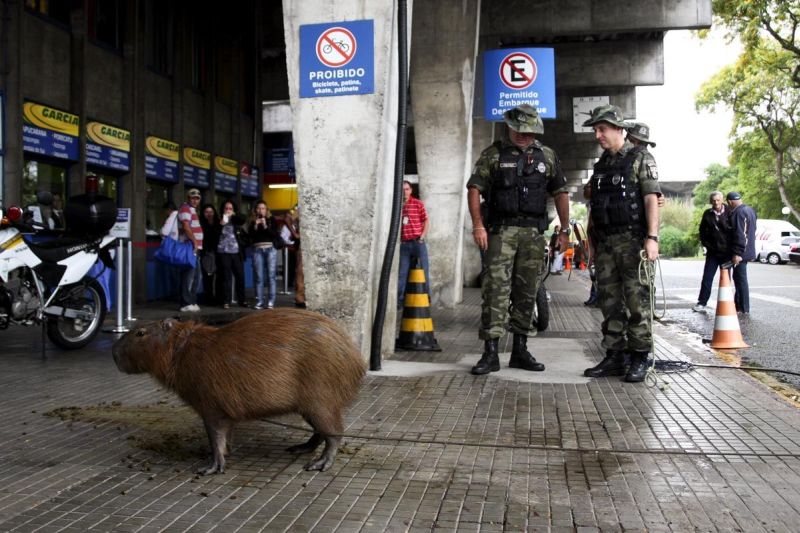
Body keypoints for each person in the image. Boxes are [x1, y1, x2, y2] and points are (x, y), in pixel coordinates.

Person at [467, 104, 570, 375]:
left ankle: (520, 350)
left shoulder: (547, 155)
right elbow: (474, 188)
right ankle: (490, 353)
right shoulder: (493, 154)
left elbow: (560, 192)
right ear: (509, 127)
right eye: (520, 130)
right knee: (495, 291)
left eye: (530, 131)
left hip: (533, 235)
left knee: (527, 292)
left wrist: (564, 230)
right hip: (501, 233)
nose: (525, 135)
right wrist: (478, 225)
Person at [581, 105, 662, 383]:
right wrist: (592, 243)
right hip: (606, 243)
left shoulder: (641, 158)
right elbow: (593, 201)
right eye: (595, 130)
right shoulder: (602, 164)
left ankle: (639, 356)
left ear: (618, 128)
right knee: (609, 302)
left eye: (602, 129)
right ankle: (615, 355)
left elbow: (651, 199)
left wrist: (652, 238)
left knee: (638, 302)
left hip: (633, 242)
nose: (598, 135)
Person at [692, 191, 730, 313]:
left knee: (726, 279)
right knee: (707, 278)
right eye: (713, 200)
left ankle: (728, 304)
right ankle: (702, 302)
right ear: (710, 201)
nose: (716, 203)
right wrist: (707, 245)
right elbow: (702, 231)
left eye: (718, 200)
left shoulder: (730, 212)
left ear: (722, 200)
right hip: (713, 253)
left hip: (727, 253)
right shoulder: (707, 213)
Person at [397, 180, 430, 309]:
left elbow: (426, 221)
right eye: (402, 189)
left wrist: (422, 237)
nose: (404, 192)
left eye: (407, 189)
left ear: (411, 190)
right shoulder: (397, 205)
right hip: (404, 245)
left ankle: (425, 300)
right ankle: (400, 302)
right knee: (402, 274)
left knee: (424, 272)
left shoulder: (417, 204)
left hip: (418, 243)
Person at [726, 191, 757, 314]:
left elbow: (740, 234)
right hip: (748, 249)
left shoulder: (738, 213)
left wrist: (737, 253)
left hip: (741, 252)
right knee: (739, 278)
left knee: (740, 279)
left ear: (729, 202)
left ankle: (743, 308)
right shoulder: (750, 210)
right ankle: (739, 306)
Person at [246, 200, 280, 309]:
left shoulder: (271, 219)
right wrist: (255, 225)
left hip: (270, 249)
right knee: (259, 277)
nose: (261, 210)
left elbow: (274, 234)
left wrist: (265, 225)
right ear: (256, 210)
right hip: (257, 250)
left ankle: (271, 302)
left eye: (263, 208)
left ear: (266, 210)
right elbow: (250, 236)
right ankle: (259, 301)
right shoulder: (252, 221)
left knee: (271, 276)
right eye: (259, 208)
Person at [217, 201, 248, 309]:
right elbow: (215, 233)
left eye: (230, 208)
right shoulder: (219, 220)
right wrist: (221, 223)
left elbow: (243, 219)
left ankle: (242, 300)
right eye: (226, 208)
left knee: (240, 276)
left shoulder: (235, 220)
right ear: (223, 209)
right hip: (224, 252)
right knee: (226, 277)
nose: (228, 210)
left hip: (236, 251)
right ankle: (226, 301)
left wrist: (233, 215)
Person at [178, 189, 204, 312]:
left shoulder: (192, 210)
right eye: (192, 198)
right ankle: (185, 303)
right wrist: (194, 241)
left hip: (195, 247)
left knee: (196, 276)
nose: (195, 200)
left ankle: (192, 301)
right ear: (188, 198)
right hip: (190, 246)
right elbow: (186, 226)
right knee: (189, 276)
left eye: (197, 198)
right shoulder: (185, 208)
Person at [199, 203, 221, 306]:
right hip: (206, 253)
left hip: (218, 253)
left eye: (211, 212)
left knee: (218, 277)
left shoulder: (218, 223)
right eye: (206, 212)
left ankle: (218, 298)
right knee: (208, 277)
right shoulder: (201, 224)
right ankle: (209, 298)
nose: (209, 214)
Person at [284, 205, 305, 308]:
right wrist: (295, 234)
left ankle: (303, 297)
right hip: (303, 243)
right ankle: (300, 298)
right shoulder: (300, 208)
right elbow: (287, 218)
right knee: (300, 270)